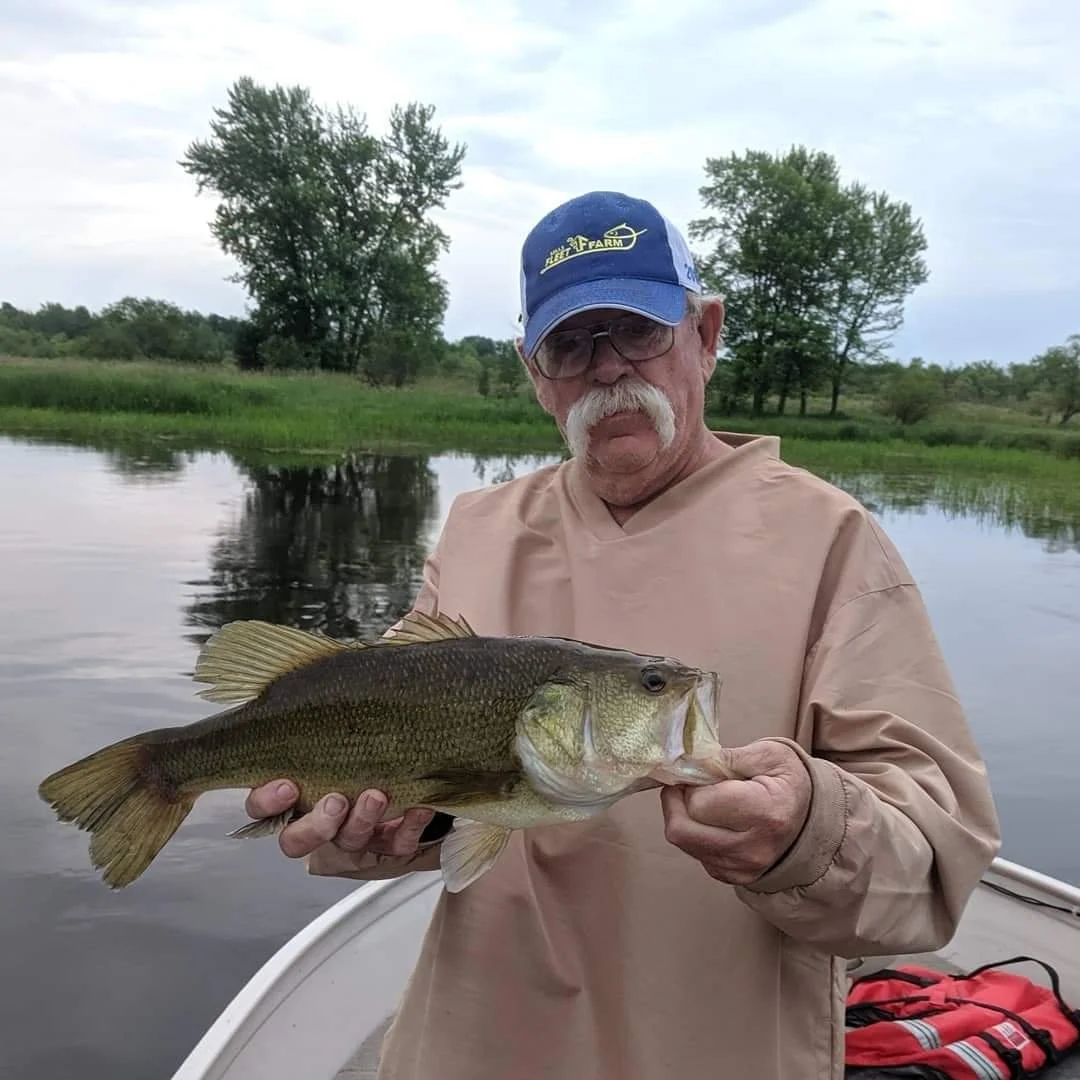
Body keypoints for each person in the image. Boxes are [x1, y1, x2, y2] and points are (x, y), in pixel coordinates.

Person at [244, 190, 1002, 1079]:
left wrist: (809, 830)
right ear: (535, 372)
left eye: (638, 331)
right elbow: (423, 775)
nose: (607, 370)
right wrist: (377, 835)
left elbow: (934, 873)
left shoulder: (832, 541)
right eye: (571, 344)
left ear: (706, 333)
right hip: (470, 1045)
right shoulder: (478, 529)